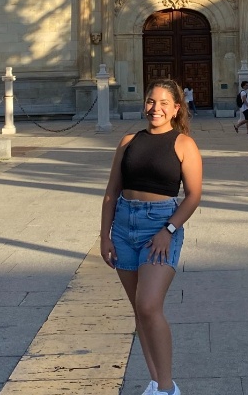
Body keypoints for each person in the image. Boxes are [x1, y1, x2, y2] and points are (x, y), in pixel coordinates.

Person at [100, 79, 203, 395]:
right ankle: (157, 383)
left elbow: (194, 195)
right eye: (150, 101)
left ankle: (168, 386)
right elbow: (111, 192)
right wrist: (104, 237)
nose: (154, 108)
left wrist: (168, 231)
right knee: (138, 311)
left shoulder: (184, 144)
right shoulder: (128, 140)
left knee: (148, 306)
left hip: (160, 227)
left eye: (162, 103)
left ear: (175, 108)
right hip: (124, 227)